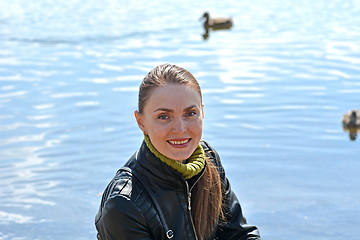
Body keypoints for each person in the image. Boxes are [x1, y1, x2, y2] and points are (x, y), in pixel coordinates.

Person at [95, 63, 261, 240]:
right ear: (141, 122)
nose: (180, 129)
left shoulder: (209, 159)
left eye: (190, 113)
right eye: (164, 117)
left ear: (202, 112)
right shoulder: (124, 204)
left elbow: (240, 234)